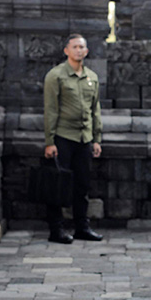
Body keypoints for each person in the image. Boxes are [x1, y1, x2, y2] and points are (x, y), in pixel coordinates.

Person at [43, 33, 103, 244]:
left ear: (86, 51)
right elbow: (50, 110)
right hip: (63, 137)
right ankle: (56, 229)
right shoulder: (56, 76)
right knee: (58, 185)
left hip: (84, 138)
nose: (79, 50)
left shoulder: (91, 77)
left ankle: (82, 227)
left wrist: (96, 139)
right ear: (66, 50)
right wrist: (50, 142)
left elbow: (95, 110)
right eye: (75, 47)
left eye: (82, 47)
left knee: (82, 185)